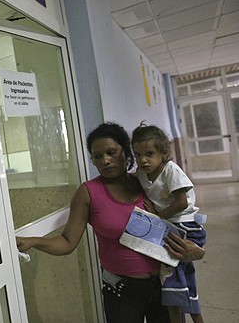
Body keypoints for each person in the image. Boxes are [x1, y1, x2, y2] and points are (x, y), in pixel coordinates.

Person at [16, 122, 205, 323]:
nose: (105, 160)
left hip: (163, 285)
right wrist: (34, 241)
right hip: (122, 291)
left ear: (127, 153)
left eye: (112, 152)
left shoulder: (146, 183)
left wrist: (198, 252)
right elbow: (67, 242)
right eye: (98, 156)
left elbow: (182, 223)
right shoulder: (88, 193)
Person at [132, 123, 206, 323]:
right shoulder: (141, 173)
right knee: (183, 278)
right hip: (168, 225)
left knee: (170, 278)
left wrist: (158, 215)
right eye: (137, 155)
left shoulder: (170, 170)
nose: (143, 160)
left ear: (163, 153)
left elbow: (181, 203)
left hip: (186, 227)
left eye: (149, 153)